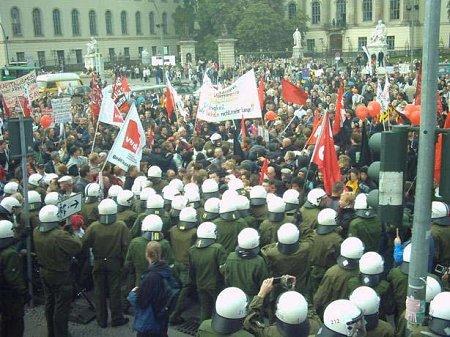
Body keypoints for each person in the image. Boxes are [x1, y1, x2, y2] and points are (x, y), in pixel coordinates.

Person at [33, 204, 82, 337]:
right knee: (61, 308)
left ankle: (52, 332)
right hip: (60, 275)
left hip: (44, 272)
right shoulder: (59, 235)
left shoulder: (36, 231)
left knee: (50, 304)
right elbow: (77, 246)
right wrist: (71, 233)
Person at [82, 198, 130, 328]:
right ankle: (116, 318)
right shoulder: (121, 226)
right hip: (115, 263)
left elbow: (84, 243)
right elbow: (126, 246)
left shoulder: (93, 227)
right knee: (115, 292)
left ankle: (101, 320)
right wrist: (126, 264)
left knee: (99, 292)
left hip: (98, 261)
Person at [244, 278, 320, 337]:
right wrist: (293, 292)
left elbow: (249, 323)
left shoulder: (270, 333)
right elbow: (310, 310)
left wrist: (261, 294)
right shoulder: (316, 327)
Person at [127, 241, 173, 337]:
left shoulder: (150, 276)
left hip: (150, 318)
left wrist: (133, 293)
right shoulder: (167, 270)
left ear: (147, 254)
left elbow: (141, 302)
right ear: (160, 253)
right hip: (163, 314)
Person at [313, 237, 365, 317]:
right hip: (356, 315)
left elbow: (320, 297)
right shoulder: (364, 271)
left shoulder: (332, 272)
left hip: (334, 314)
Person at [188, 222, 227, 321]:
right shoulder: (218, 248)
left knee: (204, 310)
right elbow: (224, 271)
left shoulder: (192, 250)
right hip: (216, 286)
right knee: (219, 310)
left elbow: (192, 271)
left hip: (200, 284)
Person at [261, 223, 311, 295]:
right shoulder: (306, 248)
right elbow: (311, 238)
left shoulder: (270, 253)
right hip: (300, 286)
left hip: (279, 286)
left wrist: (276, 244)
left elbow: (264, 249)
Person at [169, 206, 198, 325]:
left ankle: (168, 309)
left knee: (175, 288)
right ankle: (175, 314)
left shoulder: (173, 230)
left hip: (175, 263)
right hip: (187, 266)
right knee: (184, 290)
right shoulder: (194, 232)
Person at [0, 219, 28, 337]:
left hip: (2, 298)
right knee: (15, 327)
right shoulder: (10, 254)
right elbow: (14, 280)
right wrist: (24, 293)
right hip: (11, 298)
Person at [223, 228, 268, 298]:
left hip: (234, 295)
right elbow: (263, 283)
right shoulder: (259, 261)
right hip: (254, 297)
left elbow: (227, 279)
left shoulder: (230, 257)